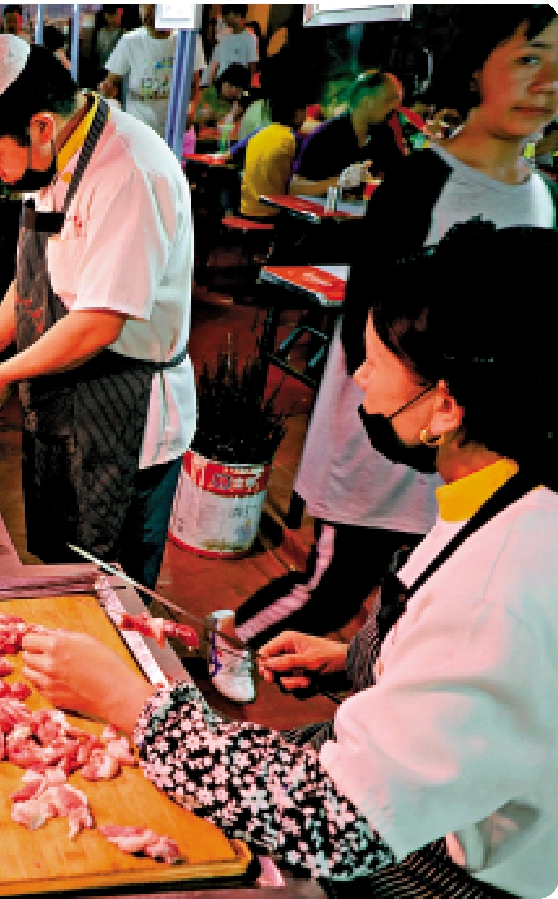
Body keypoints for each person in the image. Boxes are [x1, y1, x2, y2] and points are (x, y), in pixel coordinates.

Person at [23, 220, 558, 897]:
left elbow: (334, 820)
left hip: (443, 872)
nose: (358, 376)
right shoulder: (509, 490)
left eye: (371, 360)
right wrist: (361, 661)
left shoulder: (504, 581)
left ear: (445, 405)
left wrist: (129, 702)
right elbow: (487, 691)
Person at [208, 5, 557, 704]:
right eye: (526, 58)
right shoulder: (423, 181)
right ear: (476, 68)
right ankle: (226, 637)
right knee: (331, 584)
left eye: (555, 61)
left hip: (476, 451)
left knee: (416, 590)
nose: (544, 80)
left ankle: (360, 673)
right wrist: (395, 437)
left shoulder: (543, 197)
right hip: (390, 435)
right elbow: (365, 323)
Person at [0, 36, 196, 589]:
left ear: (39, 125)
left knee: (113, 589)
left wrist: (5, 373)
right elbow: (37, 277)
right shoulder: (55, 158)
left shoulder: (128, 171)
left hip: (126, 415)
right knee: (65, 573)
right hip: (65, 401)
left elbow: (99, 321)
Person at [289, 70, 406, 197]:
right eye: (389, 101)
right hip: (324, 213)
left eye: (397, 101)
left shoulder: (383, 134)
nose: (394, 108)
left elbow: (399, 173)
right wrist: (340, 182)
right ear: (365, 102)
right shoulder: (327, 135)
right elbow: (294, 187)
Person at [101, 4, 206, 138]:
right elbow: (111, 82)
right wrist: (107, 90)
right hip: (139, 127)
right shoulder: (130, 41)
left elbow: (193, 84)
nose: (147, 13)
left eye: (153, 7)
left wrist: (190, 111)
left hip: (174, 129)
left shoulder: (188, 40)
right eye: (144, 7)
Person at [234, 87, 308, 220]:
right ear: (298, 114)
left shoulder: (260, 131)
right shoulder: (294, 139)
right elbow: (298, 181)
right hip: (273, 214)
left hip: (245, 210)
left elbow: (230, 154)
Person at [207, 4, 258, 86]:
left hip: (237, 85)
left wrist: (248, 86)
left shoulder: (250, 38)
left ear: (238, 15)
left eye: (227, 14)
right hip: (220, 83)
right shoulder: (223, 36)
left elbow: (252, 64)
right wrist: (211, 82)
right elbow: (216, 62)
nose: (224, 18)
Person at [193, 62, 250, 129]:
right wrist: (207, 116)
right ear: (222, 81)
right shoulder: (209, 93)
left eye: (238, 89)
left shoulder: (240, 102)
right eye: (230, 86)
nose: (233, 91)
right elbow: (196, 117)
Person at [91, 8, 125, 77]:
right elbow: (98, 51)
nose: (113, 19)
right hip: (103, 69)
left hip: (116, 70)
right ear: (106, 16)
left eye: (116, 15)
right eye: (111, 16)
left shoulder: (123, 32)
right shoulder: (101, 32)